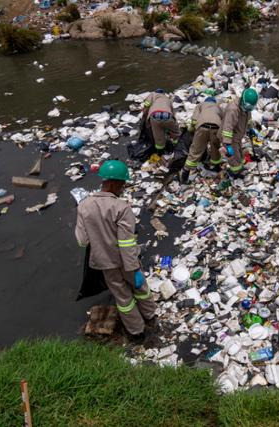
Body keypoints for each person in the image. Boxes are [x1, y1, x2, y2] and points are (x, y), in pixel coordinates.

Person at [75, 160, 156, 342]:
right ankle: (150, 316)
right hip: (126, 262)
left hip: (105, 263)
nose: (122, 189)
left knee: (122, 298)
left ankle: (136, 332)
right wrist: (134, 269)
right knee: (141, 289)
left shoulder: (84, 206)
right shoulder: (121, 208)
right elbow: (126, 243)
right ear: (112, 183)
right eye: (122, 184)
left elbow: (82, 241)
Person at [179, 97, 223, 184]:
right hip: (216, 128)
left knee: (195, 150)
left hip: (203, 127)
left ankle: (185, 174)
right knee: (215, 148)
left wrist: (192, 130)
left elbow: (194, 120)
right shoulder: (218, 107)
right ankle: (217, 167)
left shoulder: (200, 105)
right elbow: (224, 119)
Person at [219, 88, 258, 178]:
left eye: (250, 108)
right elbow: (227, 128)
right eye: (247, 107)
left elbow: (248, 120)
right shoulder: (233, 109)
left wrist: (250, 129)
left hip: (237, 136)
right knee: (233, 156)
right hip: (228, 137)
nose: (248, 109)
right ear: (242, 100)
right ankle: (235, 173)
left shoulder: (246, 109)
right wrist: (228, 144)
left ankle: (239, 167)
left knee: (239, 153)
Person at [143, 89, 180, 154]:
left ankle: (160, 152)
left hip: (154, 115)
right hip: (167, 115)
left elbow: (146, 106)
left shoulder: (152, 95)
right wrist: (174, 122)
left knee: (158, 135)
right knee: (175, 131)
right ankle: (176, 146)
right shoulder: (167, 98)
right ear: (163, 93)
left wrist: (145, 117)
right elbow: (172, 111)